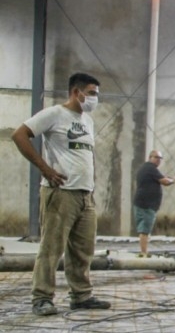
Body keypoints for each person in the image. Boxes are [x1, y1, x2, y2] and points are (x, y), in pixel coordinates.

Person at [11, 72, 112, 315]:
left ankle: (81, 295)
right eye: (91, 94)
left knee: (83, 249)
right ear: (76, 92)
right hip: (61, 193)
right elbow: (19, 135)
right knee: (51, 248)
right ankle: (42, 298)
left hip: (85, 195)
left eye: (96, 94)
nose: (95, 99)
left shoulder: (87, 121)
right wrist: (45, 170)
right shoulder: (54, 114)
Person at [133, 150, 175, 256]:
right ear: (150, 157)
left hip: (142, 203)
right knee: (145, 230)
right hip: (146, 205)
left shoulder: (146, 168)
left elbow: (160, 178)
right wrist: (173, 180)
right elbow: (165, 182)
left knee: (144, 229)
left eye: (160, 158)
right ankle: (144, 252)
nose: (159, 160)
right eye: (156, 157)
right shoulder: (150, 168)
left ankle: (143, 251)